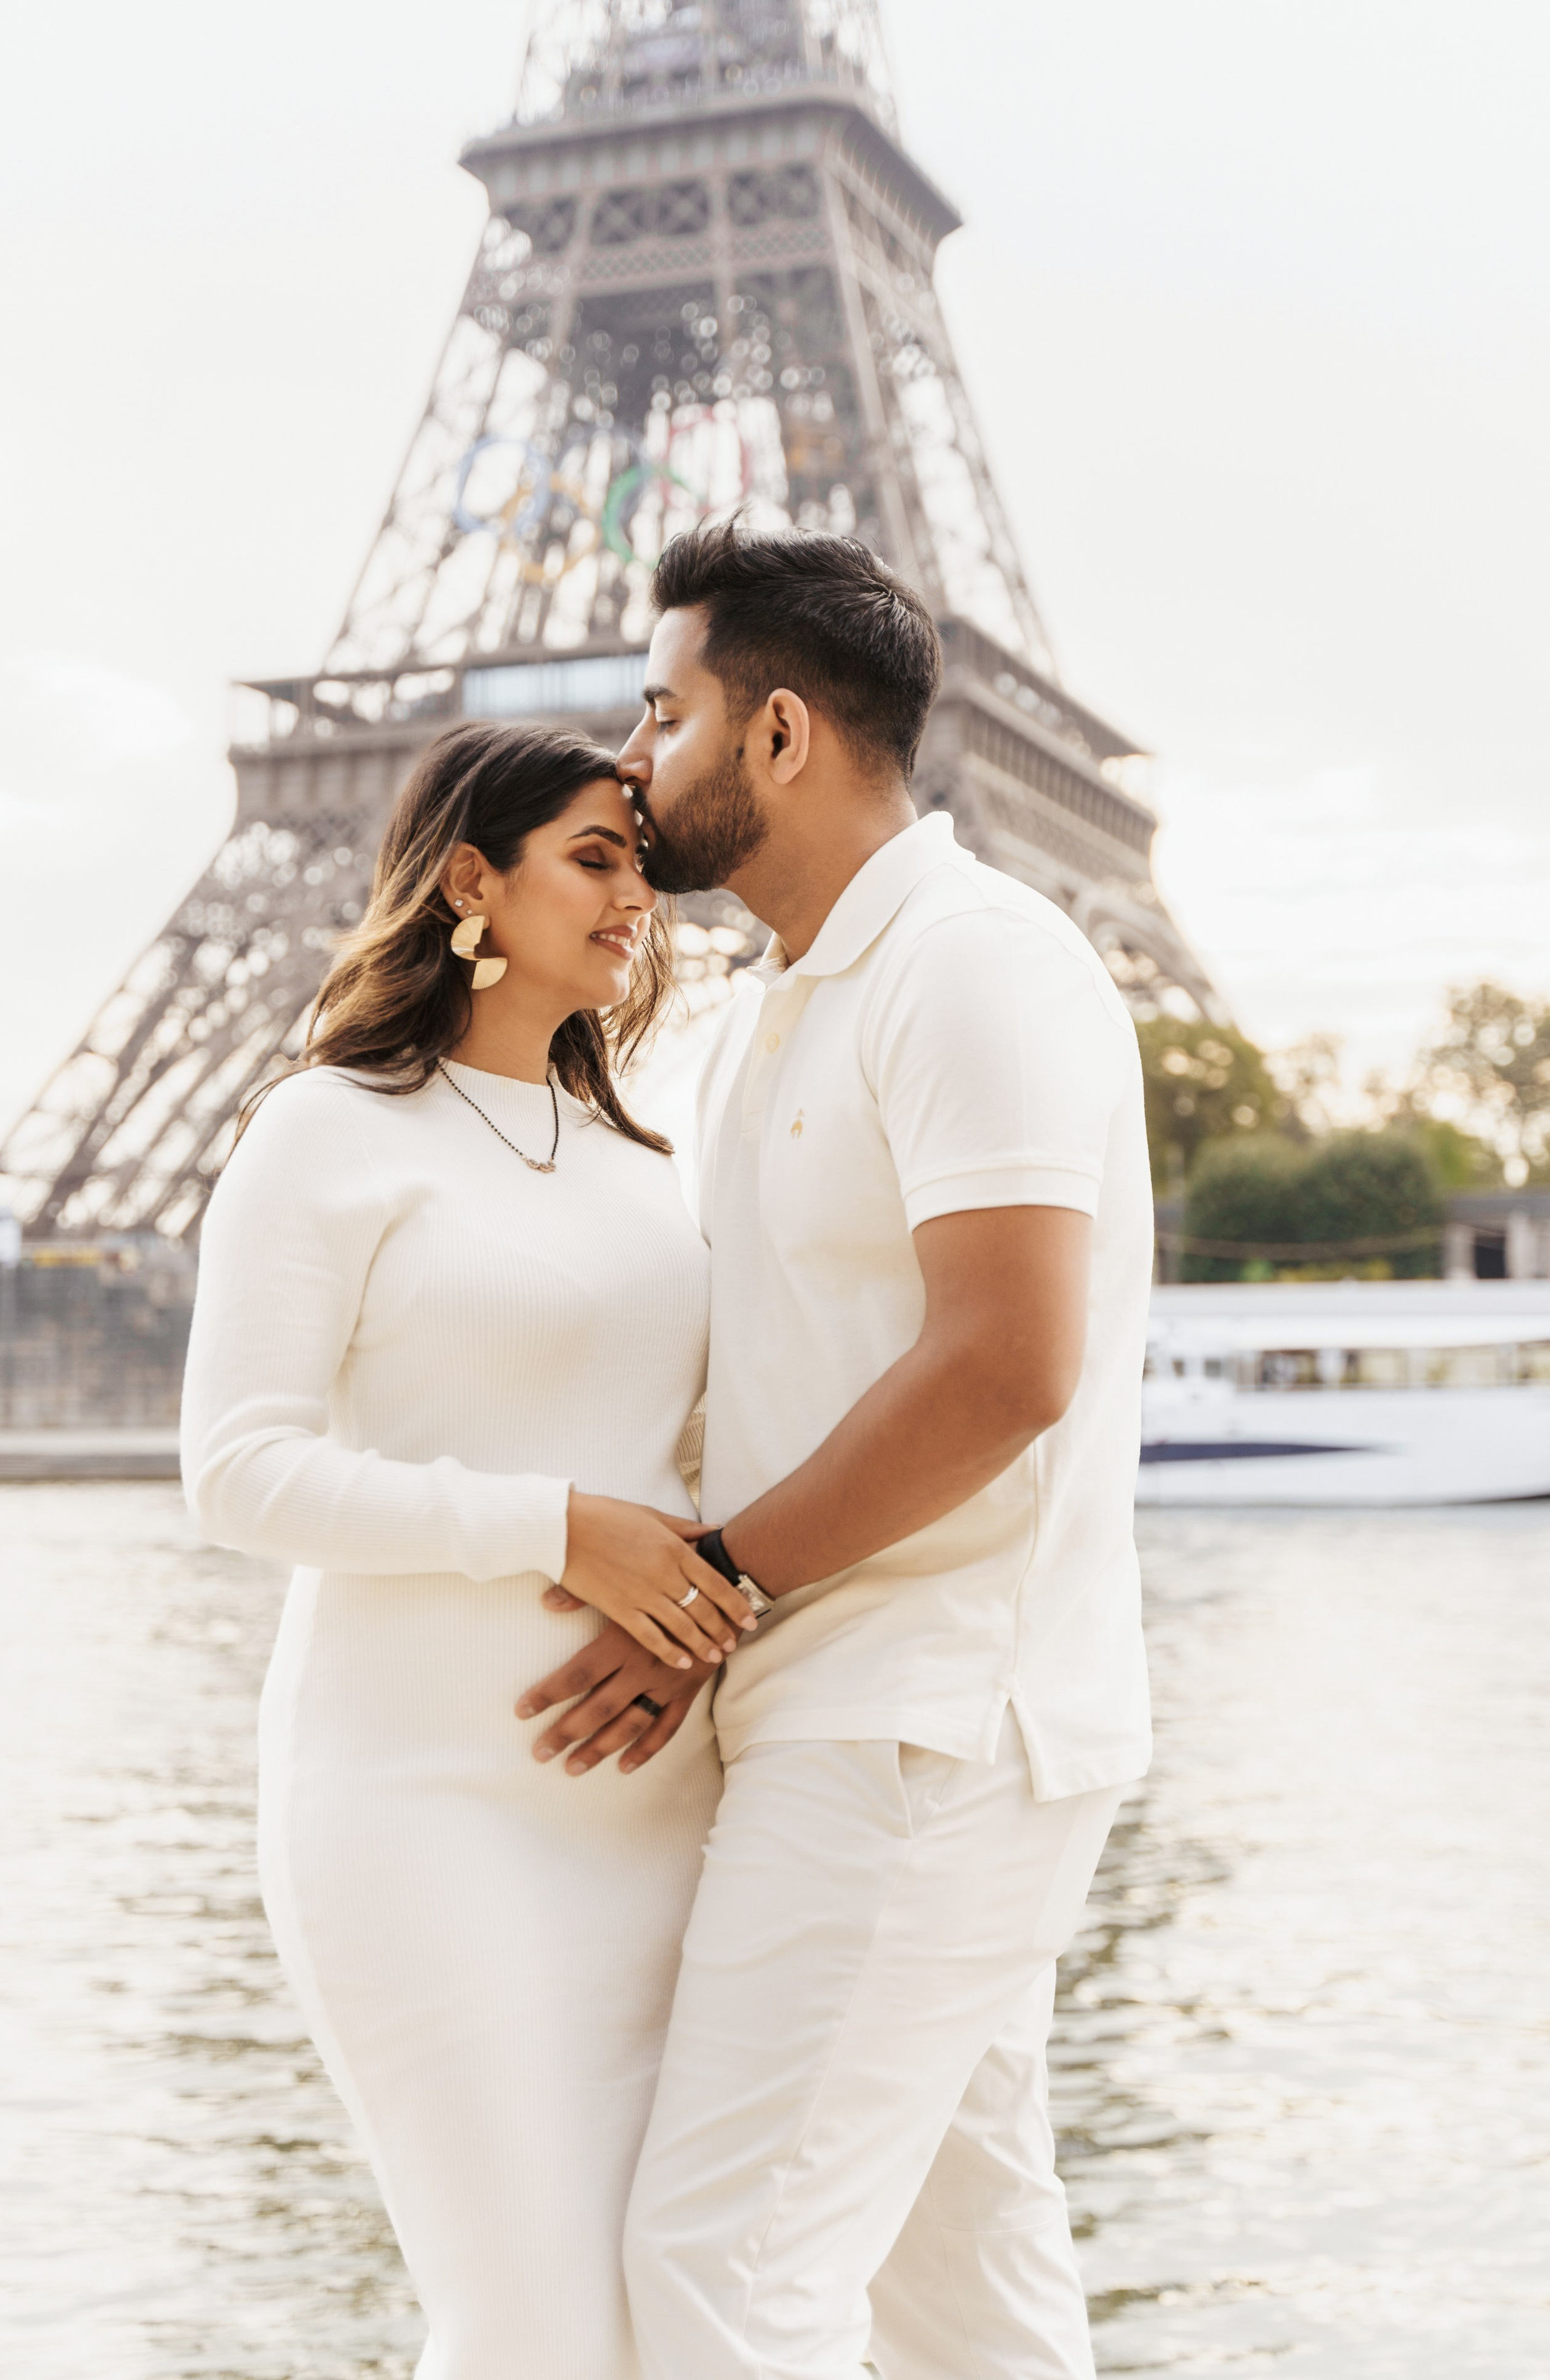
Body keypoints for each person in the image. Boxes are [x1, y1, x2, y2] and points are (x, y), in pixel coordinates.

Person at [518, 525, 1154, 2380]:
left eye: (665, 711)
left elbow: (1007, 1364)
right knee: (962, 2303)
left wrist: (705, 1590)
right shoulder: (789, 1005)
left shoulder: (971, 966)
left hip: (923, 1722)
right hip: (874, 1710)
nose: (633, 761)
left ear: (778, 735)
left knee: (725, 2269)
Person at [179, 721, 761, 2380]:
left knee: (666, 2330)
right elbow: (236, 1473)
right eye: (595, 853)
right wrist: (553, 1526)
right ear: (468, 877)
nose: (636, 891)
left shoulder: (651, 1167)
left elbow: (705, 1458)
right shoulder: (328, 1130)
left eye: (642, 859)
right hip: (424, 1812)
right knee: (528, 2329)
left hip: (659, 1812)